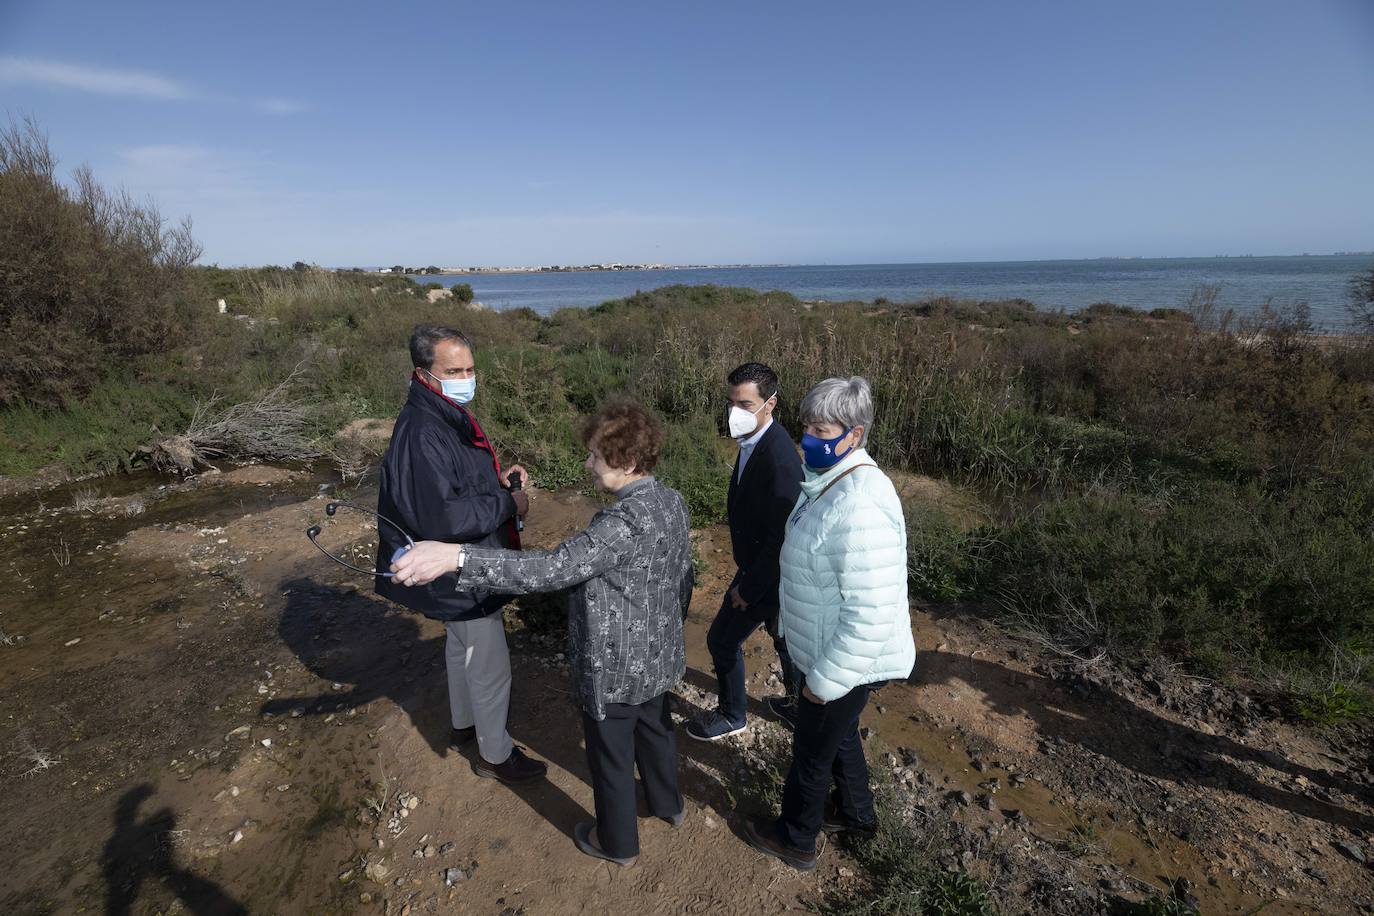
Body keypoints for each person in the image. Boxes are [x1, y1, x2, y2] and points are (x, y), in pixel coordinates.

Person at [391, 399, 694, 867]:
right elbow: (682, 576)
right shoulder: (670, 501)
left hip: (615, 668)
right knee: (655, 731)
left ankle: (618, 844)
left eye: (595, 455)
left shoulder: (620, 524)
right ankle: (668, 804)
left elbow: (552, 568)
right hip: (659, 656)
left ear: (629, 463)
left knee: (611, 759)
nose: (587, 464)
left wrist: (458, 558)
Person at [742, 376, 916, 871]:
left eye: (821, 429)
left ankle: (796, 838)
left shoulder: (859, 504)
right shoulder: (829, 481)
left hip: (838, 663)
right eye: (807, 427)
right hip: (822, 650)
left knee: (811, 753)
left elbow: (871, 615)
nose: (807, 439)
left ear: (854, 434)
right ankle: (858, 818)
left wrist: (823, 682)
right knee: (838, 738)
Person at [375, 325, 547, 784]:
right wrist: (510, 503)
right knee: (488, 661)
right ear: (424, 373)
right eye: (454, 370)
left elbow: (453, 486)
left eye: (470, 369)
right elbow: (443, 518)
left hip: (455, 567)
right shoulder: (423, 429)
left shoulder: (440, 413)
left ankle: (463, 725)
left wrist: (498, 481)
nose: (465, 378)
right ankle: (495, 754)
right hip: (458, 567)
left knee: (460, 645)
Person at [688, 362, 804, 741]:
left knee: (722, 639)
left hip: (766, 574)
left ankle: (732, 714)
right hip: (764, 568)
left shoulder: (780, 458)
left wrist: (749, 589)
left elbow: (781, 537)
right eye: (731, 402)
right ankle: (797, 707)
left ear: (770, 404)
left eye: (745, 404)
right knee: (782, 636)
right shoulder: (755, 440)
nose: (735, 413)